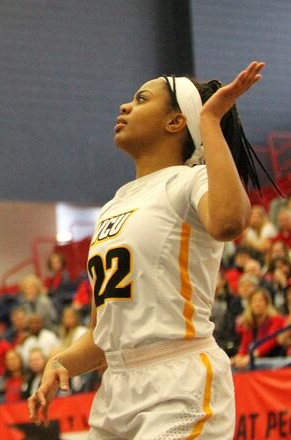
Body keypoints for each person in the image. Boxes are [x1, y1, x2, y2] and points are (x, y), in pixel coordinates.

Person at [29, 62, 274, 439]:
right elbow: (102, 334)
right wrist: (59, 361)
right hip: (117, 390)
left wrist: (210, 122)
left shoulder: (189, 181)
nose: (124, 107)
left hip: (180, 380)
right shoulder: (114, 205)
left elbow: (230, 222)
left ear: (176, 122)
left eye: (141, 99)